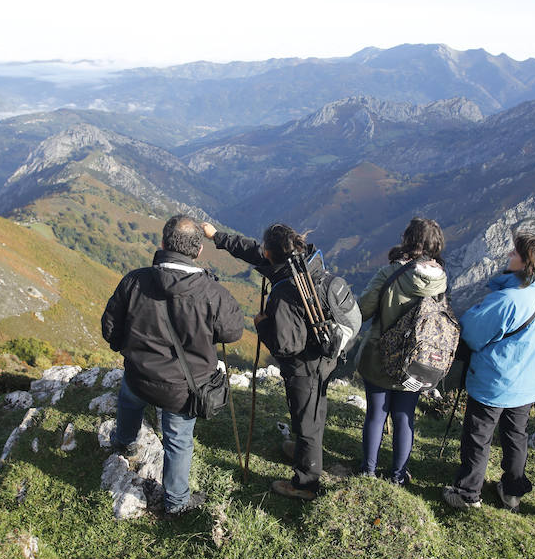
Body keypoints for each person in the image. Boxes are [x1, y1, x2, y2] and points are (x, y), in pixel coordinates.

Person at [101, 215, 244, 516]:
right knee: (178, 439)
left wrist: (126, 350)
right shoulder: (212, 292)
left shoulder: (134, 280)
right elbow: (232, 333)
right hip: (183, 389)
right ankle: (176, 503)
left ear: (163, 244)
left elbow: (110, 328)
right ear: (198, 252)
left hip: (139, 375)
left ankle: (124, 442)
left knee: (129, 399)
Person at [201, 221, 337, 501]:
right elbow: (253, 251)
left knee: (307, 419)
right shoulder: (304, 263)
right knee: (311, 412)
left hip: (305, 365)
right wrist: (218, 237)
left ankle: (305, 483)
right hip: (322, 356)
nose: (261, 251)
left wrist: (262, 325)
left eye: (265, 249)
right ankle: (302, 449)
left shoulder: (286, 290)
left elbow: (287, 345)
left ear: (271, 254)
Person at [442, 233, 535, 511]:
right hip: (529, 384)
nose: (509, 254)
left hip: (495, 382)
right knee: (516, 434)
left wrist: (474, 311)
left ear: (529, 264)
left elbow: (472, 334)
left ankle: (467, 493)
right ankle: (512, 490)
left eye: (516, 253)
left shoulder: (510, 299)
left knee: (478, 435)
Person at [355, 217, 448, 485]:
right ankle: (398, 476)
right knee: (404, 416)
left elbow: (363, 309)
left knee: (376, 414)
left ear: (408, 240)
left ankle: (368, 471)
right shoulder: (440, 281)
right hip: (417, 363)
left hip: (380, 356)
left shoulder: (390, 273)